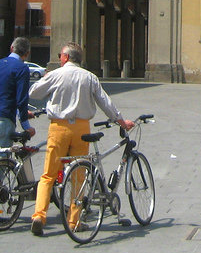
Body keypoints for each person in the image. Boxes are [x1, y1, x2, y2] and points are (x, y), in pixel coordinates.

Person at [28, 42, 134, 236]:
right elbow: (105, 102)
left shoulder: (56, 74)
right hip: (82, 128)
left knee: (48, 175)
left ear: (66, 57)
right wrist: (121, 121)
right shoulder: (89, 77)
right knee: (79, 176)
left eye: (61, 55)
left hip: (59, 127)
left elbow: (34, 92)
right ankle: (74, 221)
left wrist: (46, 81)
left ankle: (39, 216)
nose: (60, 57)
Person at [0, 37, 36, 151]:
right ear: (27, 53)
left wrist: (22, 112)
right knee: (1, 160)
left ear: (11, 48)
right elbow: (21, 99)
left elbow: (2, 94)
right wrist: (26, 127)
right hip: (3, 119)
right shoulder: (22, 68)